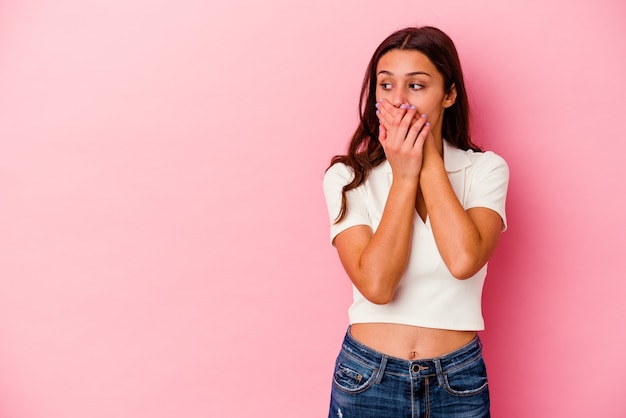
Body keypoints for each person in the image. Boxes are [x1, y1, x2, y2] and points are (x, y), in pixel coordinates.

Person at [322, 26, 509, 417]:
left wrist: (426, 162)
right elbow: (378, 285)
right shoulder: (347, 177)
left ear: (449, 94)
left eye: (417, 85)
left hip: (457, 381)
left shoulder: (485, 170)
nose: (400, 100)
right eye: (386, 85)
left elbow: (463, 260)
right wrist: (403, 178)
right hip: (367, 378)